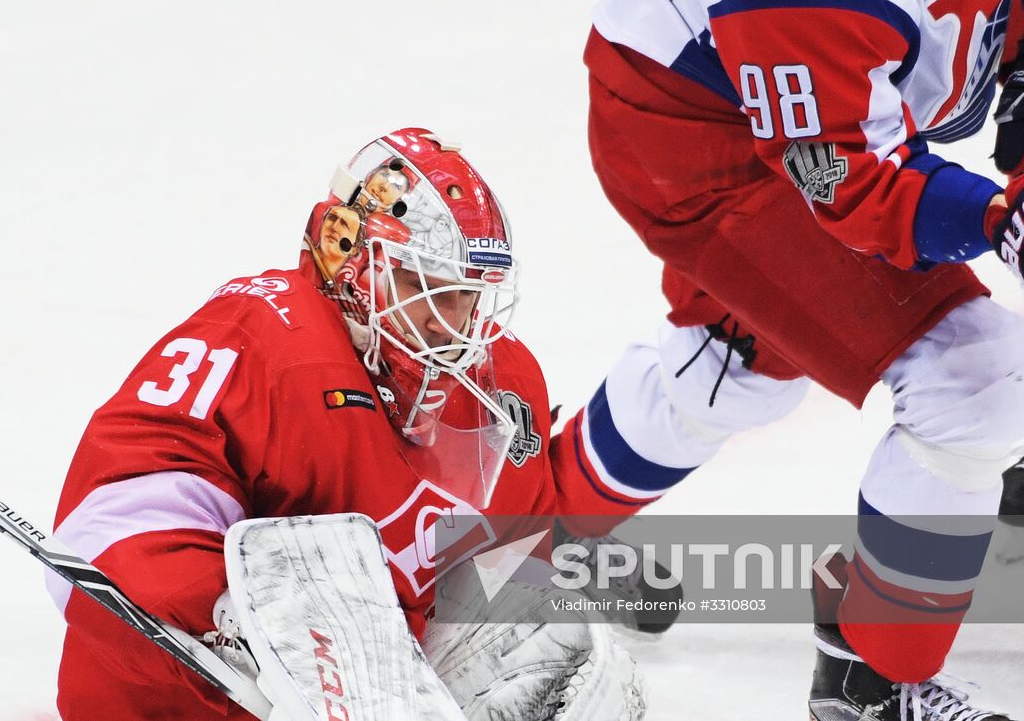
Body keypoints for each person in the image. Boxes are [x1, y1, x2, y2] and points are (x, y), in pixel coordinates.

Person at [561, 0, 1024, 717]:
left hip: (768, 77)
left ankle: (535, 526)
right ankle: (872, 675)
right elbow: (855, 186)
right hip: (700, 141)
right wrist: (1015, 214)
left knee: (745, 368)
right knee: (973, 374)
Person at [46, 128, 641, 720]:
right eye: (425, 285)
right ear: (351, 257)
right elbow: (107, 528)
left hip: (383, 697)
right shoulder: (263, 337)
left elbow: (509, 559)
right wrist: (235, 621)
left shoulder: (499, 381)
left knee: (567, 654)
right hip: (183, 708)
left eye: (467, 293)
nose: (451, 323)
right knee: (314, 567)